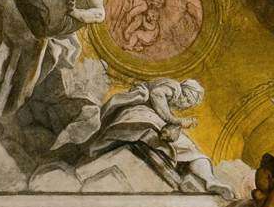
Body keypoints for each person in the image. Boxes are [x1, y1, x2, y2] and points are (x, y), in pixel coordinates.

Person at [85, 77, 236, 197]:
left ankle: (210, 180)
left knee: (192, 149)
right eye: (187, 98)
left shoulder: (168, 107)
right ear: (184, 89)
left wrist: (174, 123)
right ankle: (206, 179)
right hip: (141, 114)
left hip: (153, 120)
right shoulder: (173, 87)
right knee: (181, 143)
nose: (184, 103)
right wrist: (176, 121)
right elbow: (157, 94)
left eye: (189, 104)